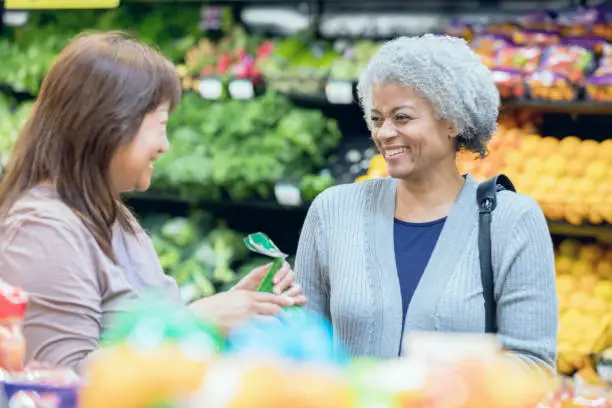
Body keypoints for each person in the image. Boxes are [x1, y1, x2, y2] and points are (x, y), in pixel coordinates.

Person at [0, 31, 306, 373]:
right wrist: (196, 322)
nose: (165, 145)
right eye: (160, 125)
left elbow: (147, 336)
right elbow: (57, 385)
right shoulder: (41, 232)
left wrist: (234, 310)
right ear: (111, 125)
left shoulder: (112, 217)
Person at [295, 34, 558, 371]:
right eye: (376, 119)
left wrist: (429, 380)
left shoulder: (513, 220)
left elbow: (534, 367)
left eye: (402, 118)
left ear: (452, 121)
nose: (384, 133)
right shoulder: (333, 211)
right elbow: (300, 347)